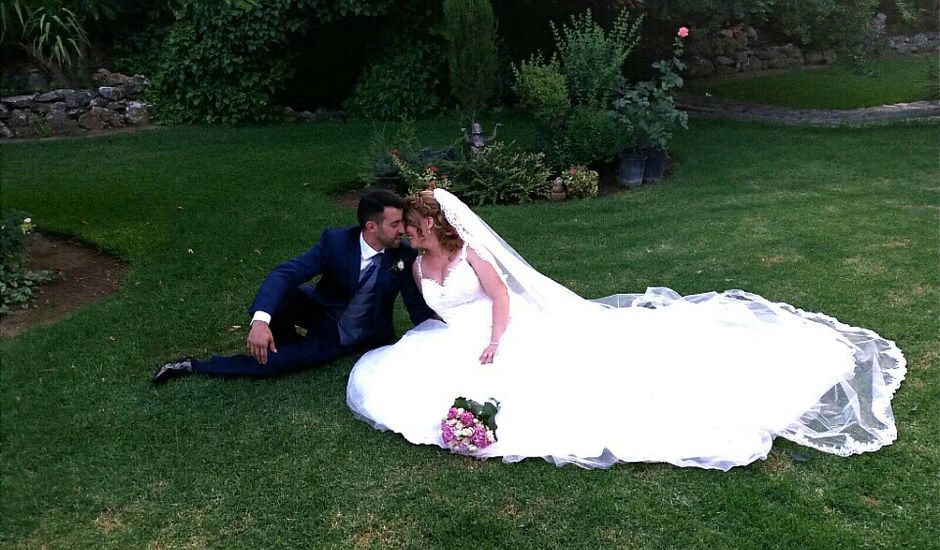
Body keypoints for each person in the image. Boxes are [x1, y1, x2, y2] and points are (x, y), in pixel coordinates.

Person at [346, 188, 906, 470]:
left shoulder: (471, 256)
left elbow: (499, 299)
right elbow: (435, 312)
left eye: (415, 227)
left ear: (436, 226)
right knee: (403, 385)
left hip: (504, 330)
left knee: (579, 383)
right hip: (454, 339)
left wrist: (495, 341)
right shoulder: (416, 266)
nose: (408, 234)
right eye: (406, 229)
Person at [153, 189, 434, 383]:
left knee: (276, 364)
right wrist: (260, 322)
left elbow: (416, 308)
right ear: (371, 227)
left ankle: (194, 366)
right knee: (284, 292)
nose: (402, 231)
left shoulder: (403, 256)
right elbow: (284, 273)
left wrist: (438, 338)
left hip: (346, 334)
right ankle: (278, 334)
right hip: (321, 307)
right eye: (396, 224)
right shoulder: (336, 242)